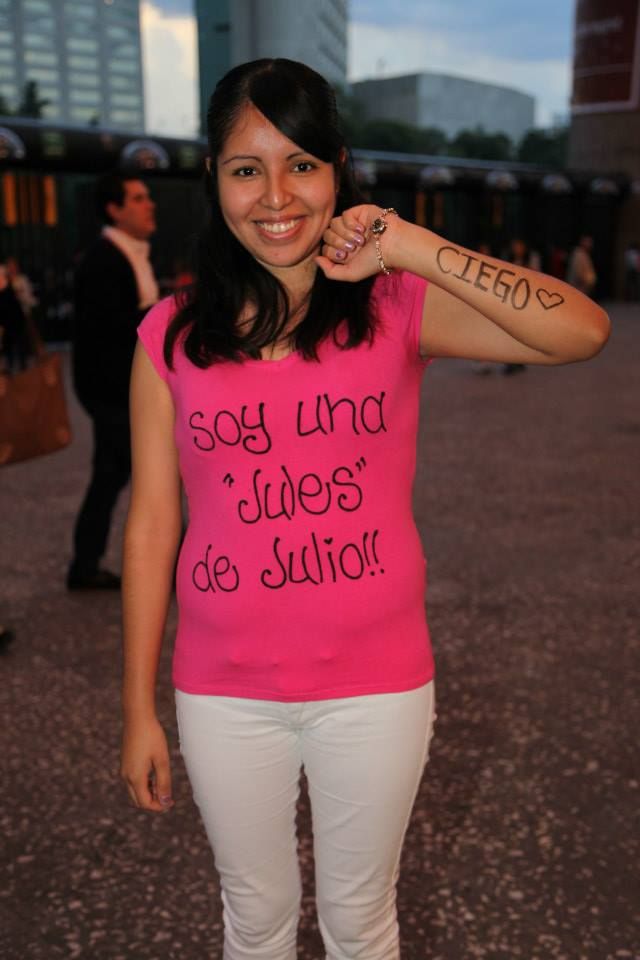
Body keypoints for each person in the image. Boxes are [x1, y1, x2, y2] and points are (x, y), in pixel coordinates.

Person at [120, 59, 610, 959]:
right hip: (224, 692)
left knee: (359, 921)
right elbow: (152, 528)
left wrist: (406, 245)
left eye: (301, 163)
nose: (276, 195)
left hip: (377, 686)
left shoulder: (393, 307)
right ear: (214, 183)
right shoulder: (171, 335)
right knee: (254, 920)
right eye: (244, 168)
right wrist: (137, 709)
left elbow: (581, 330)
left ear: (338, 170)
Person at [67, 173, 158, 590]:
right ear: (114, 209)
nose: (149, 204)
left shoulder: (128, 253)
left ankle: (85, 564)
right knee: (133, 477)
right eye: (138, 199)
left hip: (123, 394)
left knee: (114, 476)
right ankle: (87, 565)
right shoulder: (106, 260)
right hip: (116, 394)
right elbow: (109, 335)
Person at [501, 238, 541, 376]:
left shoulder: (532, 257)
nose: (517, 248)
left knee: (521, 332)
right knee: (508, 332)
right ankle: (510, 362)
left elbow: (537, 275)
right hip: (509, 300)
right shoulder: (507, 257)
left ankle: (519, 360)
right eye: (515, 246)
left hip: (525, 300)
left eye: (519, 245)